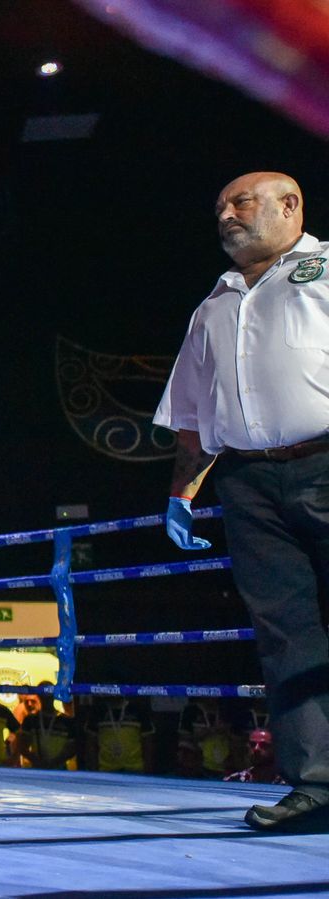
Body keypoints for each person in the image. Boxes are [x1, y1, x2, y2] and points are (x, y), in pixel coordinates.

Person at [154, 171, 329, 831]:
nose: (225, 213)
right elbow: (195, 417)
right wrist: (181, 493)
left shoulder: (327, 269)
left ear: (291, 206)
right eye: (220, 205)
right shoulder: (214, 305)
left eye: (241, 201)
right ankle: (316, 785)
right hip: (249, 484)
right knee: (287, 637)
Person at [16, 684, 79, 770]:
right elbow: (22, 746)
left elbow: (73, 748)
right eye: (44, 694)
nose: (46, 697)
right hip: (42, 769)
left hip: (57, 769)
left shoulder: (66, 721)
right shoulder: (31, 720)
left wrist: (53, 762)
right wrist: (38, 761)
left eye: (48, 694)